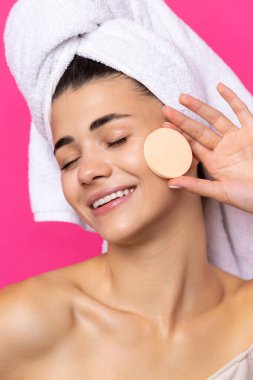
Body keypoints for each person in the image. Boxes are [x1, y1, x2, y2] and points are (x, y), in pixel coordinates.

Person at [1, 54, 253, 379]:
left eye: (116, 140)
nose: (88, 172)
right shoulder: (27, 323)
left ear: (187, 141)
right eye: (69, 160)